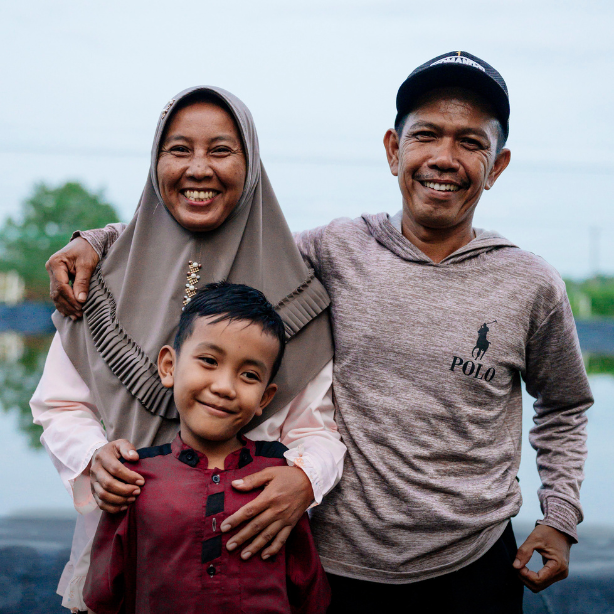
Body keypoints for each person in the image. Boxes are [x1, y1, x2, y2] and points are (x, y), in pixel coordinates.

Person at [47, 53, 593, 613]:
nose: (444, 158)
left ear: (497, 165)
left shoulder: (531, 283)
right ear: (392, 149)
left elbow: (565, 405)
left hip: (472, 563)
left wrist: (560, 517)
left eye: (471, 143)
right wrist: (100, 240)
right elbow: (224, 225)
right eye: (426, 135)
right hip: (332, 564)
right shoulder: (332, 250)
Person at [31, 86, 345, 613]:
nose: (199, 168)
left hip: (253, 572)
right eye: (178, 150)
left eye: (221, 150)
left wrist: (303, 478)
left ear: (252, 163)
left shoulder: (299, 292)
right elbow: (59, 404)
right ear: (155, 162)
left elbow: (317, 429)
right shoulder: (101, 281)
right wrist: (94, 457)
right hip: (126, 561)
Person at [83, 282, 330, 614]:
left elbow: (309, 593)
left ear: (265, 398)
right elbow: (104, 595)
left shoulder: (280, 479)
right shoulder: (135, 478)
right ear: (169, 366)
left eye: (249, 375)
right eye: (209, 360)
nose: (224, 387)